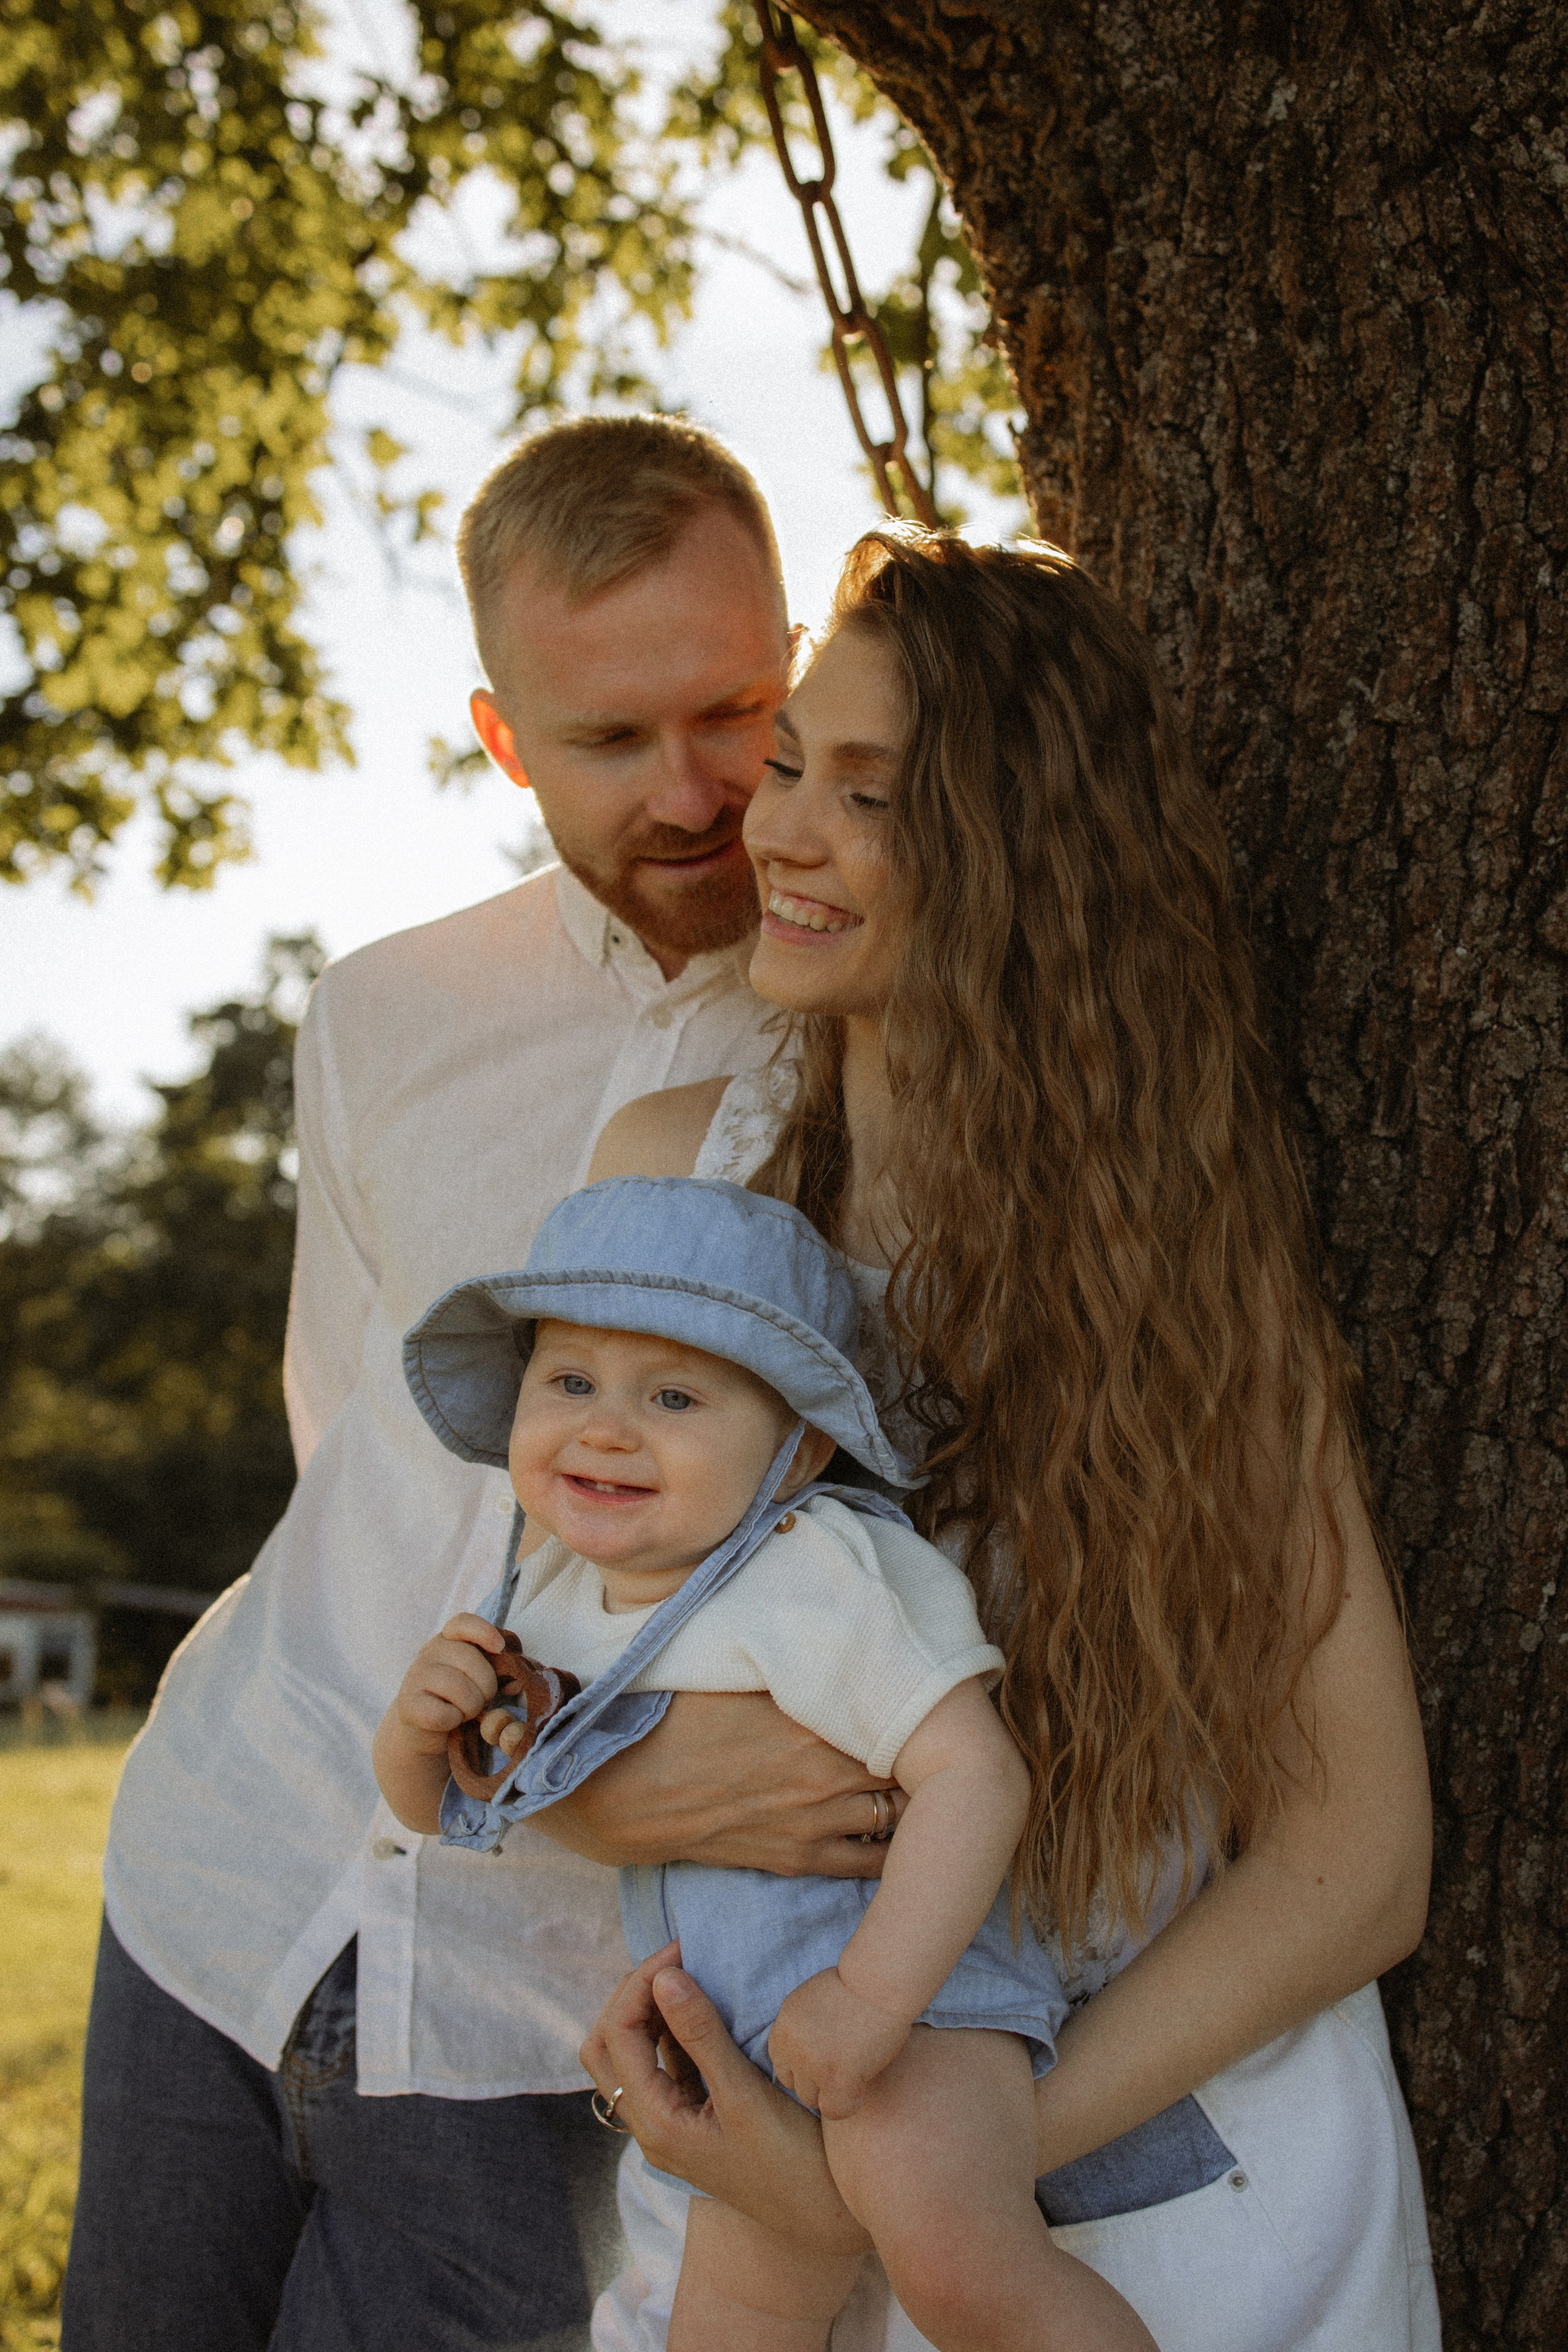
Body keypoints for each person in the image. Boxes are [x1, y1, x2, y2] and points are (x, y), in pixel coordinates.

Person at [62, 417, 910, 2352]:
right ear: (503, 738)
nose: (695, 793)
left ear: (796, 660)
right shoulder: (379, 1015)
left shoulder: (900, 1062)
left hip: (550, 2024)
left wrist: (597, 1781)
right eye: (609, 739)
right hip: (220, 1877)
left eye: (735, 710)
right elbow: (352, 1434)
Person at [576, 529, 1441, 2351]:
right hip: (755, 2211)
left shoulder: (1180, 1273)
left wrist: (919, 2177)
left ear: (1022, 860)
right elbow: (565, 1663)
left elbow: (1355, 1858)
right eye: (788, 765)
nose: (782, 831)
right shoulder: (672, 1183)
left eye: (869, 796)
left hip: (1177, 2220)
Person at [375, 1174, 1155, 2352]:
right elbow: (453, 1809)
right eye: (571, 1381)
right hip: (735, 2040)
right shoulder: (547, 1597)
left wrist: (874, 1999)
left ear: (797, 1451)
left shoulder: (814, 1572)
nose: (605, 1428)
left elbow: (976, 1777)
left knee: (959, 2264)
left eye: (674, 1396)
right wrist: (412, 1731)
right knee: (732, 2321)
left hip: (911, 2007)